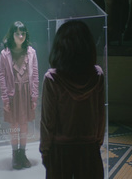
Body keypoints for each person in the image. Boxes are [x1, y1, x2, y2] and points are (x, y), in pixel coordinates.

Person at [40, 20, 106, 179]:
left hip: (60, 149)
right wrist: (97, 141)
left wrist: (45, 149)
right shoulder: (97, 75)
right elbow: (100, 113)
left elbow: (48, 121)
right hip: (89, 147)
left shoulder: (52, 78)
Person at [0, 21, 39, 170]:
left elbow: (35, 74)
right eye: (17, 33)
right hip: (12, 93)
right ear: (12, 34)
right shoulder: (4, 53)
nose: (20, 36)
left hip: (26, 93)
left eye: (23, 33)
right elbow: (1, 76)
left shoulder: (31, 52)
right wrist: (5, 98)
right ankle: (15, 154)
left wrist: (34, 96)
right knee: (14, 125)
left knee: (24, 125)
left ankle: (23, 153)